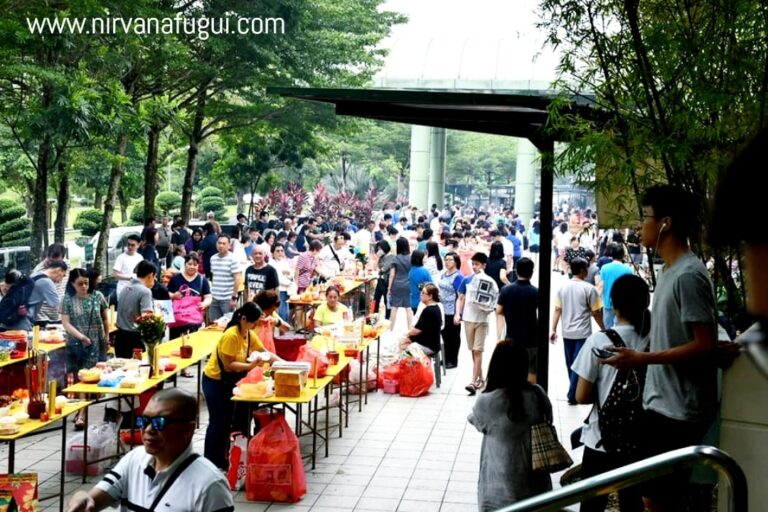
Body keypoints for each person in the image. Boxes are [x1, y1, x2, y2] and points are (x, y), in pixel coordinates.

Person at [603, 185, 719, 512]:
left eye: (646, 217)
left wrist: (642, 358)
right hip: (662, 403)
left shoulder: (688, 275)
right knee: (651, 498)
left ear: (665, 222)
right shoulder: (670, 271)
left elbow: (704, 345)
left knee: (658, 502)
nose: (641, 225)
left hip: (678, 409)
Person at [66, 388, 234, 512]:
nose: (148, 429)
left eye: (159, 422)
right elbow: (95, 498)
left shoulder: (210, 485)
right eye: (144, 421)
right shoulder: (134, 460)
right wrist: (82, 496)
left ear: (188, 429)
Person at [572, 274, 650, 512]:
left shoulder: (599, 340)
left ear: (613, 304)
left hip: (600, 439)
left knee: (592, 505)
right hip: (641, 438)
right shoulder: (656, 341)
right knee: (632, 504)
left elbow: (581, 396)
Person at [468, 342, 553, 512]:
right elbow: (549, 418)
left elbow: (476, 421)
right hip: (535, 484)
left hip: (498, 489)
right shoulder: (537, 394)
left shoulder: (487, 401)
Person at [202, 303, 280, 470]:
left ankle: (223, 459)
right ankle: (209, 461)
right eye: (253, 323)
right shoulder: (231, 335)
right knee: (218, 421)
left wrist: (286, 365)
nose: (255, 326)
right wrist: (250, 366)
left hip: (230, 382)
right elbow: (229, 365)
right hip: (214, 381)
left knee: (228, 420)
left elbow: (265, 352)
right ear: (243, 319)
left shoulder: (249, 334)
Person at [551, 257, 605, 404]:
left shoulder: (563, 287)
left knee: (570, 363)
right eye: (586, 269)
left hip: (566, 331)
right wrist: (604, 329)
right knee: (578, 363)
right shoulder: (590, 289)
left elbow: (557, 309)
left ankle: (573, 392)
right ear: (582, 270)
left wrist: (553, 329)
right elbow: (596, 312)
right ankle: (573, 393)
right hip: (583, 333)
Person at [62, 268, 109, 429]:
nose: (84, 286)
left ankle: (82, 415)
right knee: (77, 377)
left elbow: (105, 317)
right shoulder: (68, 300)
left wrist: (107, 336)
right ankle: (80, 409)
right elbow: (66, 323)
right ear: (72, 284)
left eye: (86, 283)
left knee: (85, 377)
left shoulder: (98, 297)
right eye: (80, 284)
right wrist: (80, 337)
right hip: (75, 342)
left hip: (95, 341)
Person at [455, 252, 498, 395]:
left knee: (478, 350)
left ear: (484, 265)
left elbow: (493, 300)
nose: (474, 267)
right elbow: (460, 298)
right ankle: (481, 379)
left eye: (477, 264)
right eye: (473, 264)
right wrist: (457, 314)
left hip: (482, 320)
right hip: (468, 319)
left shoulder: (490, 281)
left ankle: (473, 382)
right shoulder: (466, 280)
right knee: (473, 350)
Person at [496, 257, 539, 382]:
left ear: (516, 271)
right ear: (531, 272)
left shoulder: (506, 290)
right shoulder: (535, 292)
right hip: (531, 338)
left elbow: (498, 311)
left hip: (512, 337)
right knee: (531, 369)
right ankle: (529, 397)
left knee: (512, 369)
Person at [115, 260, 157, 358]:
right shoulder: (145, 291)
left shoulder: (125, 288)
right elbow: (146, 317)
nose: (154, 281)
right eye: (155, 277)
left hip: (120, 338)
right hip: (134, 340)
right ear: (150, 275)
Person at [167, 253, 212, 340]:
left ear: (198, 266)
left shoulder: (202, 280)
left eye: (195, 265)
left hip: (194, 320)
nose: (192, 267)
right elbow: (166, 294)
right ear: (185, 264)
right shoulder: (175, 279)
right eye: (189, 264)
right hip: (177, 320)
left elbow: (208, 296)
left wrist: (204, 303)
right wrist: (174, 295)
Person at [596, 243, 633, 329]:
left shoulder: (605, 268)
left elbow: (601, 285)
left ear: (612, 254)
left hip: (607, 302)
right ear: (623, 255)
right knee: (620, 328)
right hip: (622, 304)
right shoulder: (628, 269)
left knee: (607, 328)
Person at [208, 234, 242, 321]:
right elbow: (214, 276)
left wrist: (234, 297)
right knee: (213, 324)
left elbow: (237, 278)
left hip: (227, 298)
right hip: (215, 297)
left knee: (227, 324)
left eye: (224, 243)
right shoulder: (213, 258)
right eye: (219, 243)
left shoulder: (233, 259)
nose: (221, 245)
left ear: (229, 245)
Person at [401, 283, 442, 356]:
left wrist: (407, 334)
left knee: (402, 346)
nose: (421, 294)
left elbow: (416, 331)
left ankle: (408, 366)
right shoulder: (435, 308)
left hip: (429, 346)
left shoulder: (428, 310)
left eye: (423, 293)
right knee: (404, 341)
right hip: (432, 343)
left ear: (430, 296)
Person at [438, 252, 463, 368]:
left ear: (456, 262)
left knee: (453, 336)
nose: (447, 262)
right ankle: (446, 357)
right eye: (446, 259)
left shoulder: (458, 277)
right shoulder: (444, 274)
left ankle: (453, 360)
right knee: (445, 335)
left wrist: (458, 313)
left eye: (450, 260)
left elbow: (461, 296)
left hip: (453, 310)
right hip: (443, 309)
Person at [388, 237, 413, 330]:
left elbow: (392, 275)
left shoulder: (395, 258)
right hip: (409, 285)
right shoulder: (411, 258)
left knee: (394, 308)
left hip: (397, 285)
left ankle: (391, 329)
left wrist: (389, 288)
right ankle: (410, 329)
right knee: (408, 308)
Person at [112, 234, 144, 299]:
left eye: (133, 245)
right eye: (128, 244)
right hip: (123, 289)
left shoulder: (140, 257)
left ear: (138, 245)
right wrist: (130, 278)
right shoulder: (121, 257)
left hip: (136, 289)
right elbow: (115, 274)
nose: (130, 247)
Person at [268, 242, 294, 322]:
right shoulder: (271, 263)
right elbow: (278, 278)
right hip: (278, 290)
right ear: (272, 253)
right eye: (277, 251)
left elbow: (291, 275)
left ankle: (283, 332)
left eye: (282, 251)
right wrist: (288, 279)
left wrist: (287, 275)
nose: (280, 253)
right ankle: (281, 333)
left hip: (287, 290)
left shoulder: (284, 262)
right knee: (281, 311)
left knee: (285, 310)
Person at [373, 240, 394, 319]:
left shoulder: (392, 257)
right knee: (376, 299)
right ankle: (374, 316)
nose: (379, 251)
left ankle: (387, 318)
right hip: (380, 280)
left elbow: (383, 269)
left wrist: (381, 267)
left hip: (387, 281)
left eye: (380, 248)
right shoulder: (381, 257)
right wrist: (377, 258)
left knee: (386, 301)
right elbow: (376, 267)